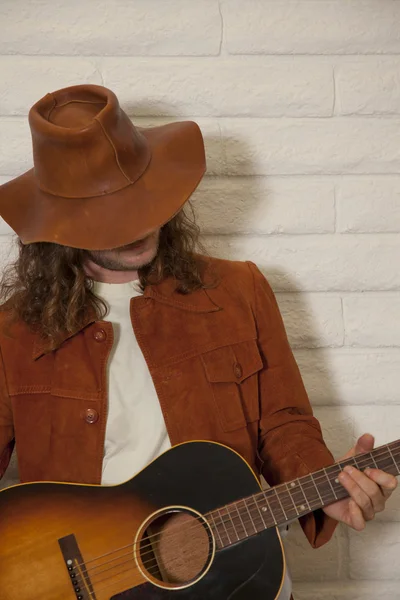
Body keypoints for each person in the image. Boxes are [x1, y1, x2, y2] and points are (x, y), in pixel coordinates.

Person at [0, 84, 397, 599]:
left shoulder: (239, 290)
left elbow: (285, 424)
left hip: (238, 581)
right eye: (109, 214)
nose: (137, 224)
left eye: (139, 200)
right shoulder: (13, 331)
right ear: (60, 225)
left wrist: (328, 493)